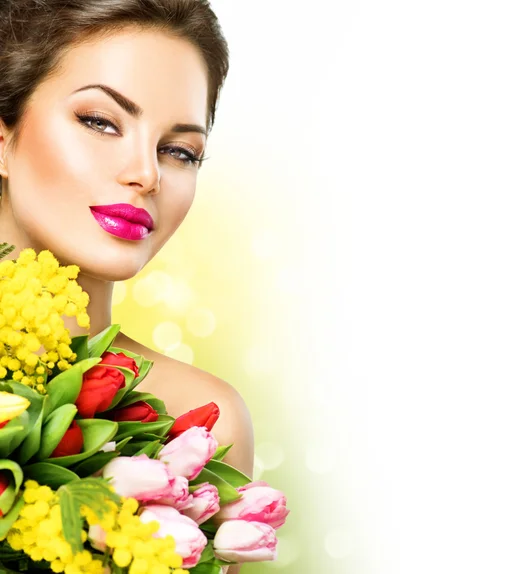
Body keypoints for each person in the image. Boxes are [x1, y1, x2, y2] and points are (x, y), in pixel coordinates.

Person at [0, 1, 252, 571]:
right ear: (3, 135)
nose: (146, 173)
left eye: (180, 150)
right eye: (100, 122)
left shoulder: (203, 419)